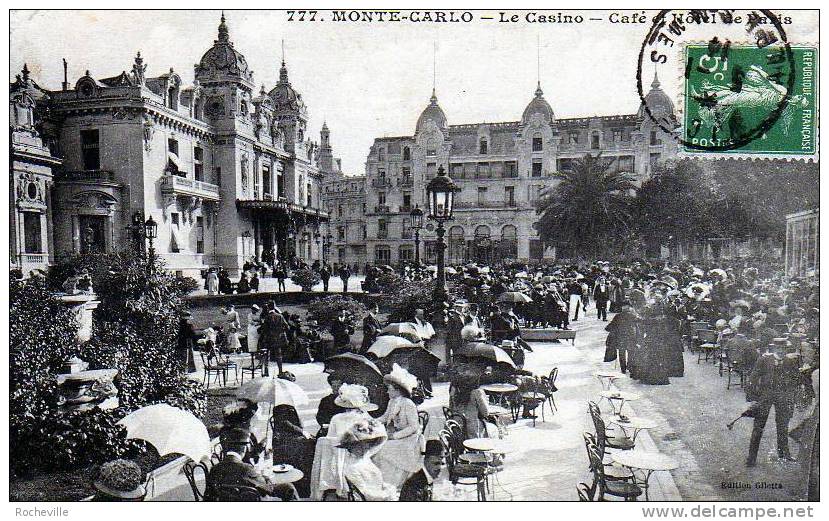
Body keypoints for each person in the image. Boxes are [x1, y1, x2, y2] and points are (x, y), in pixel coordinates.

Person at [206, 427, 299, 501]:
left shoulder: (214, 469)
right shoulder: (247, 469)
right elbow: (268, 489)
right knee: (288, 487)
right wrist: (266, 478)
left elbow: (208, 497)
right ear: (245, 448)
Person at [374, 365, 425, 488]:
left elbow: (414, 427)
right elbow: (385, 417)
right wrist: (372, 421)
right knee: (378, 447)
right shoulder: (392, 401)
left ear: (397, 390)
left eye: (389, 389)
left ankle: (394, 482)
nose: (387, 392)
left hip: (410, 439)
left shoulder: (408, 404)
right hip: (397, 436)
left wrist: (395, 436)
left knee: (383, 449)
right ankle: (385, 479)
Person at [745, 352, 796, 466]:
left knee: (783, 426)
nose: (781, 351)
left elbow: (795, 381)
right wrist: (753, 398)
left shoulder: (790, 361)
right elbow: (752, 378)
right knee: (758, 427)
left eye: (784, 348)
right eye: (779, 348)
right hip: (765, 396)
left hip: (782, 397)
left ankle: (784, 454)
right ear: (774, 348)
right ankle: (751, 459)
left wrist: (791, 399)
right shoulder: (764, 360)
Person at [338, 418, 397, 501]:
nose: (367, 447)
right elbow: (365, 494)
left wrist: (387, 488)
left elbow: (375, 481)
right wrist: (386, 495)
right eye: (362, 444)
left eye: (369, 443)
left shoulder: (364, 459)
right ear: (352, 446)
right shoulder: (351, 467)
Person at [271, 404, 314, 498]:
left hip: (288, 441)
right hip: (289, 444)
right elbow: (284, 423)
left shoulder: (282, 407)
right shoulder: (282, 409)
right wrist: (302, 432)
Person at [603, 302, 638, 374]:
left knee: (621, 353)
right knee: (631, 352)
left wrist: (610, 329)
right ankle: (630, 366)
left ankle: (623, 369)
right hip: (630, 337)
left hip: (620, 338)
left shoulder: (618, 316)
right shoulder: (633, 316)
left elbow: (609, 327)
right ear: (629, 308)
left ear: (622, 308)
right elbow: (638, 326)